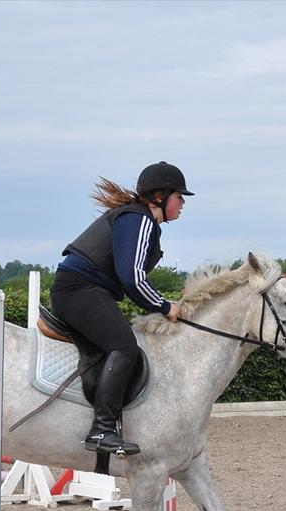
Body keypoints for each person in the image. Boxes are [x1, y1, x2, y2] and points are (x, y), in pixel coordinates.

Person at [50, 161, 192, 457]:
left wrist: (159, 302)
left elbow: (132, 278)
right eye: (180, 197)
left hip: (84, 290)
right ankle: (101, 429)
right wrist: (165, 306)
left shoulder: (140, 221)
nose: (182, 204)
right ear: (159, 196)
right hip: (80, 290)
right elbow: (132, 277)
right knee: (125, 347)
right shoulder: (139, 220)